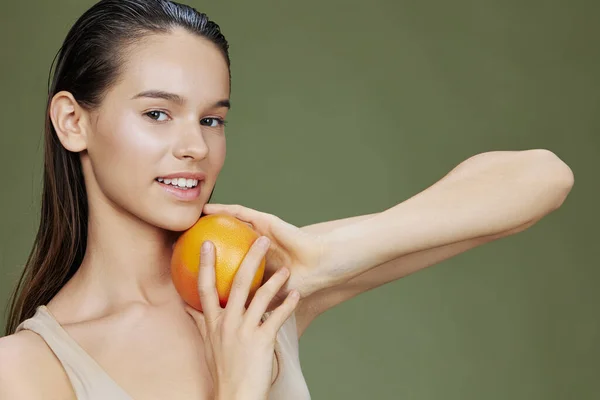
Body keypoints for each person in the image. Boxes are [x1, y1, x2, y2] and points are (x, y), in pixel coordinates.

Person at [0, 0, 574, 399]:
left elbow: (542, 178)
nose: (195, 146)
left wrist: (321, 261)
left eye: (212, 119)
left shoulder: (257, 284)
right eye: (157, 114)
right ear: (73, 121)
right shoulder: (26, 369)